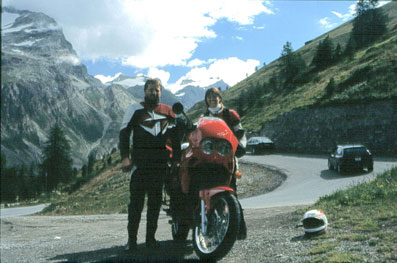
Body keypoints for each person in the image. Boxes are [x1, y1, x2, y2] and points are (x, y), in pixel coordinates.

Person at [119, 78, 180, 251]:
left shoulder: (168, 111)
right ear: (145, 91)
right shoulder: (135, 109)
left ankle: (150, 239)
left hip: (159, 165)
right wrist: (125, 157)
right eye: (151, 90)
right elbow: (124, 133)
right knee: (136, 204)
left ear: (161, 92)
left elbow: (176, 138)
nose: (154, 93)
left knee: (154, 203)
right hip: (140, 164)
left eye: (157, 90)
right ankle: (131, 241)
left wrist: (176, 159)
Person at [203, 87, 247, 239]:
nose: (212, 99)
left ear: (220, 98)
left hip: (227, 157)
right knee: (210, 189)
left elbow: (240, 132)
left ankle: (239, 230)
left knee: (231, 190)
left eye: (214, 96)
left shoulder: (230, 114)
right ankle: (211, 226)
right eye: (209, 97)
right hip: (210, 159)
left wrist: (240, 145)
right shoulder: (205, 116)